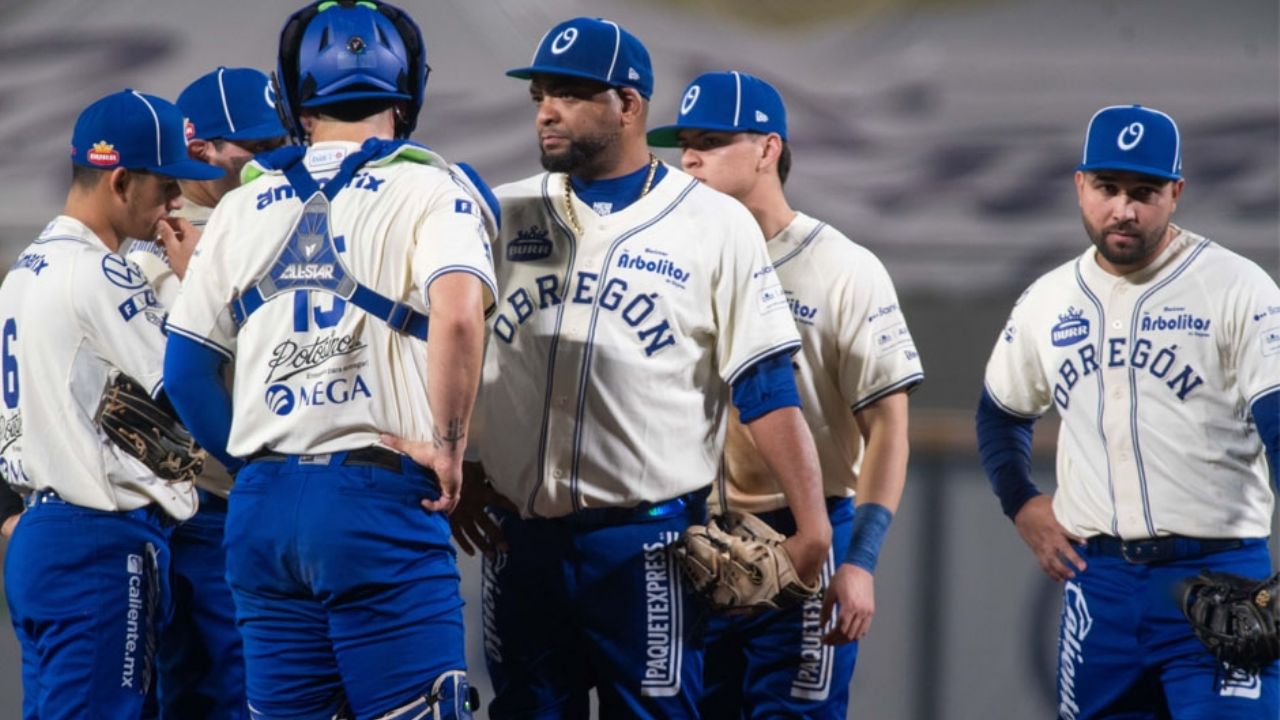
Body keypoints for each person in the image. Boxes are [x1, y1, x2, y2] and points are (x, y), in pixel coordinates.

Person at [448, 18, 832, 718]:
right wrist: (459, 460)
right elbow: (453, 346)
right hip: (520, 539)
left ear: (627, 104)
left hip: (647, 546)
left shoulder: (713, 224)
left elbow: (764, 385)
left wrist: (814, 525)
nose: (546, 111)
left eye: (569, 94)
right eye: (540, 94)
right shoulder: (503, 213)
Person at [162, 1, 497, 718]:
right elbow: (459, 313)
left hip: (261, 509)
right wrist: (449, 447)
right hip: (377, 499)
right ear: (407, 95)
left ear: (295, 102)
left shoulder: (242, 206)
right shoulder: (432, 187)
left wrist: (254, 467)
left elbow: (186, 370)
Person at [977, 104, 1280, 719]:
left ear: (1176, 193)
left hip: (1220, 576)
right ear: (1079, 186)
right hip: (1100, 586)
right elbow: (1000, 413)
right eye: (1107, 188)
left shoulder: (1236, 287)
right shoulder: (1047, 299)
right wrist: (1021, 502)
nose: (1124, 209)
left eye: (1144, 192)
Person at [647, 70, 924, 718]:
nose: (690, 159)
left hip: (806, 531)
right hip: (691, 536)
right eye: (685, 145)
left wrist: (860, 561)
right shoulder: (671, 262)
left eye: (711, 141)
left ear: (768, 149)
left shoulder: (843, 268)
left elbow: (889, 429)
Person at [0, 88, 222, 719]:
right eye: (166, 185)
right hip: (97, 542)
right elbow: (184, 393)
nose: (176, 202)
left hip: (42, 535)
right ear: (120, 181)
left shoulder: (22, 273)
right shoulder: (101, 273)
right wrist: (199, 286)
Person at [123, 66, 287, 720]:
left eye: (279, 142)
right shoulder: (150, 257)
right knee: (214, 690)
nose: (274, 158)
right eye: (259, 146)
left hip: (279, 499)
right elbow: (125, 404)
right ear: (200, 150)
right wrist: (195, 479)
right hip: (201, 512)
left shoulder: (277, 217)